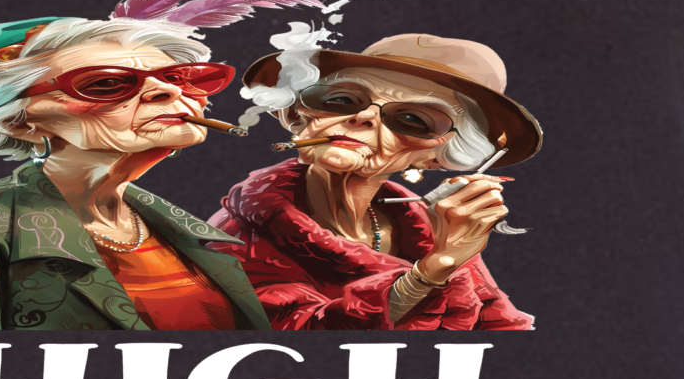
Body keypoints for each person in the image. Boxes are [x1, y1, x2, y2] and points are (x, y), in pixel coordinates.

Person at [0, 0, 326, 330]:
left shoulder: (185, 230)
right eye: (106, 84)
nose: (170, 91)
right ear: (19, 122)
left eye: (177, 77)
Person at [215, 30, 539, 329]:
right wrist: (431, 271)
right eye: (341, 100)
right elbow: (295, 338)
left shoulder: (431, 226)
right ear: (298, 116)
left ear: (436, 156)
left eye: (412, 119)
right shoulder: (240, 231)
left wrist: (449, 255)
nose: (364, 117)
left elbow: (503, 329)